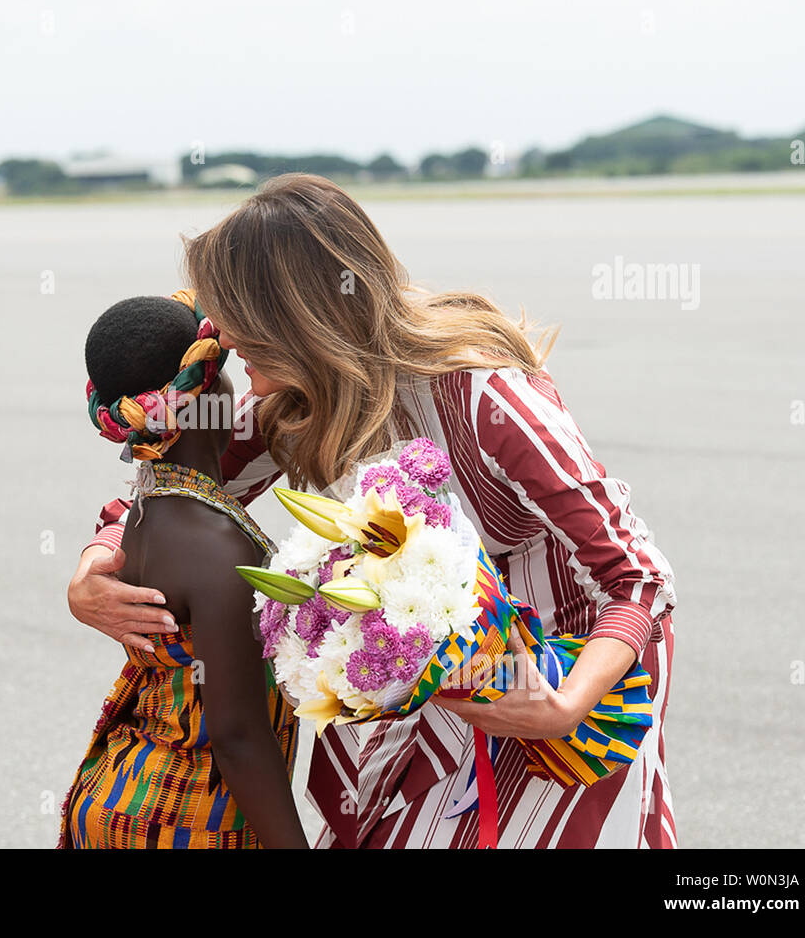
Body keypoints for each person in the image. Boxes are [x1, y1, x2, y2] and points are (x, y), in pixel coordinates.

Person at [67, 173, 678, 848]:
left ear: (290, 318)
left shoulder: (488, 398)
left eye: (233, 316)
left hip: (577, 688)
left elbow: (640, 578)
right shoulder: (294, 404)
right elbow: (176, 489)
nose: (221, 338)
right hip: (438, 690)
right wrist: (94, 569)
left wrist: (561, 708)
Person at [59, 292, 307, 849]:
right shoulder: (217, 545)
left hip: (119, 789)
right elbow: (238, 735)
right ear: (210, 392)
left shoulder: (149, 506)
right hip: (183, 815)